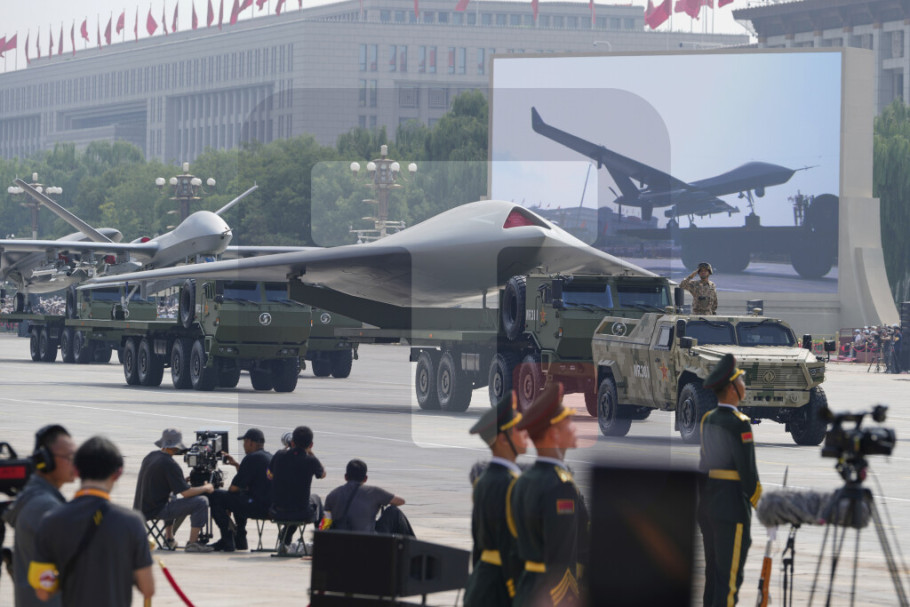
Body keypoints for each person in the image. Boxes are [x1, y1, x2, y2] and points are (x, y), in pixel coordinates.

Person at [30, 436, 154, 606]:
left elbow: (43, 592)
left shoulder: (51, 520)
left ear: (76, 471)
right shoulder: (132, 522)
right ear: (117, 474)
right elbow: (148, 589)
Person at [508, 383, 589, 607]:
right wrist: (567, 597)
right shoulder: (560, 487)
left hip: (526, 590)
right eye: (568, 423)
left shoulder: (522, 481)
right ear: (554, 434)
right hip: (551, 596)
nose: (574, 428)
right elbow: (561, 554)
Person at [698, 353, 762, 607]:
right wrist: (762, 506)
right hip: (732, 508)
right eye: (741, 381)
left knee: (713, 576)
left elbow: (703, 467)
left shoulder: (708, 419)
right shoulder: (740, 424)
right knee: (729, 579)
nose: (744, 386)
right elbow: (748, 473)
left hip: (708, 507)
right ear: (732, 389)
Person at [464, 391, 528, 607]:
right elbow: (512, 546)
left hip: (481, 583)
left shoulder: (482, 481)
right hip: (501, 587)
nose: (525, 432)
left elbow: (477, 542)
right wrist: (516, 591)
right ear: (503, 439)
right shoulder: (512, 484)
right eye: (518, 428)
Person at [2, 424, 76, 607]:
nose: (75, 463)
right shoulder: (44, 507)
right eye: (68, 457)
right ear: (45, 461)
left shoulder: (37, 499)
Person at [133, 428, 215, 552]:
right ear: (176, 446)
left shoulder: (151, 456)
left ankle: (169, 538)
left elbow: (160, 481)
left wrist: (180, 481)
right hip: (157, 510)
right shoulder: (170, 464)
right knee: (201, 501)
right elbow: (186, 493)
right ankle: (193, 543)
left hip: (141, 508)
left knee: (172, 495)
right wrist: (206, 487)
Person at [207, 428, 272, 552]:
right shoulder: (269, 456)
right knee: (240, 497)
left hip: (258, 507)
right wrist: (237, 465)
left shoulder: (251, 458)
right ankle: (240, 539)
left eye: (244, 442)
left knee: (215, 496)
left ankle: (227, 540)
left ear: (250, 442)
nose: (244, 445)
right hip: (269, 506)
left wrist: (226, 503)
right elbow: (251, 480)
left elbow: (234, 488)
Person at [268, 426, 326, 550]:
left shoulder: (279, 455)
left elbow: (269, 474)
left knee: (293, 501)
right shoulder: (311, 460)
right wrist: (311, 452)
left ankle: (286, 538)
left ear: (292, 442)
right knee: (315, 500)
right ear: (311, 444)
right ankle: (322, 540)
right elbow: (322, 474)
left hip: (277, 511)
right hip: (301, 512)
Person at [324, 458, 407, 534]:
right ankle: (411, 543)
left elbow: (325, 523)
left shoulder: (332, 495)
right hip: (367, 540)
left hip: (340, 539)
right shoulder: (373, 492)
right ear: (365, 478)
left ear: (345, 477)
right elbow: (401, 501)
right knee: (393, 511)